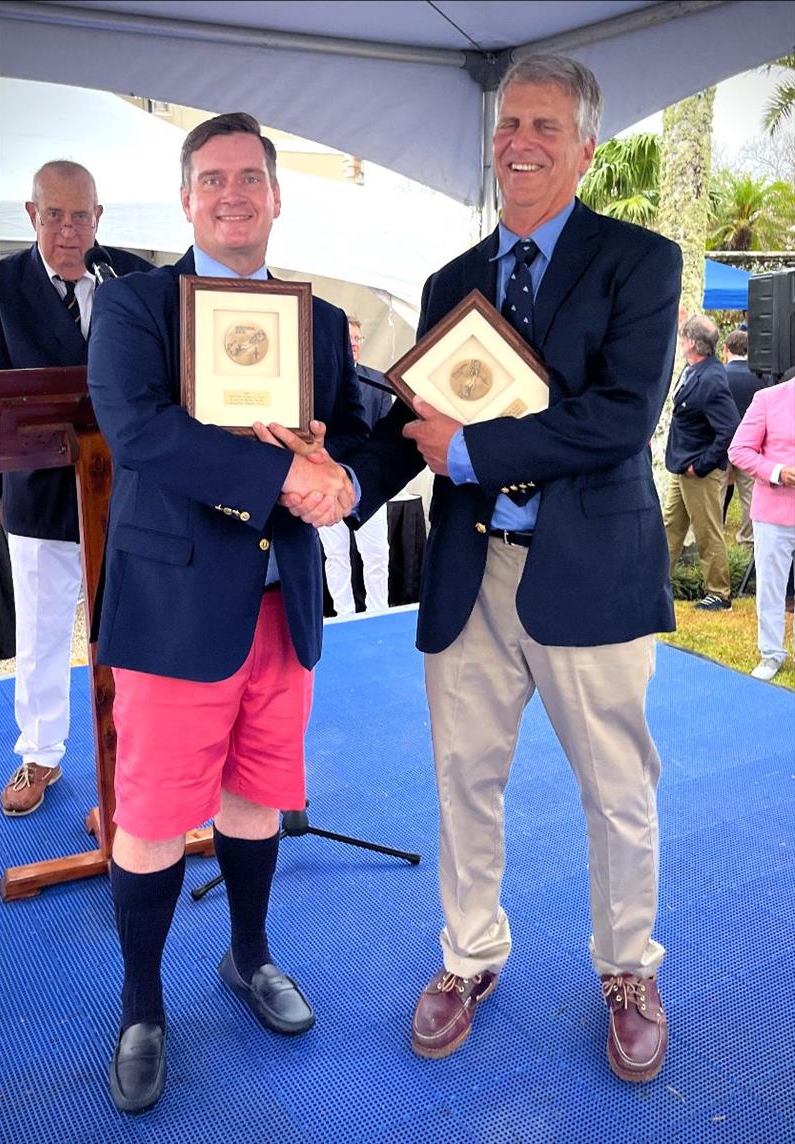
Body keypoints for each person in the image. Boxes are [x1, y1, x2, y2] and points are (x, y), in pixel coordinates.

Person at [277, 55, 682, 1083]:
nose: (520, 143)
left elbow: (620, 416)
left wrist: (471, 452)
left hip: (587, 572)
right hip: (470, 574)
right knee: (463, 780)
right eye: (508, 125)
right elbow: (415, 424)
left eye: (544, 125)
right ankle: (467, 955)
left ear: (585, 148)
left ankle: (627, 970)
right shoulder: (449, 281)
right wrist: (345, 479)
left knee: (617, 791)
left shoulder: (639, 261)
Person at [86, 112, 366, 1114]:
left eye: (250, 176)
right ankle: (139, 1003)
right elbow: (139, 429)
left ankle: (247, 957)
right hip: (172, 606)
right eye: (213, 179)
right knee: (155, 815)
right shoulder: (135, 310)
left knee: (256, 796)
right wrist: (282, 473)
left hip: (277, 605)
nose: (232, 194)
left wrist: (339, 485)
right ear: (187, 196)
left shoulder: (321, 322)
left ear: (277, 195)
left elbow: (364, 443)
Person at [0, 160, 153, 817]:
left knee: (139, 630)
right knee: (40, 633)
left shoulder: (135, 277)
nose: (69, 229)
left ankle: (144, 756)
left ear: (99, 217)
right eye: (55, 215)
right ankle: (41, 756)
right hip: (35, 495)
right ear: (31, 216)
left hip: (128, 495)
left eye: (81, 215)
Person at [663, 315, 739, 611]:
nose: (680, 342)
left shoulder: (711, 379)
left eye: (683, 338)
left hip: (698, 470)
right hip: (682, 465)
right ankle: (658, 582)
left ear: (692, 343)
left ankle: (720, 593)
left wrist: (703, 464)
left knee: (707, 529)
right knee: (671, 526)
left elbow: (729, 427)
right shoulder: (693, 369)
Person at [319, 318, 393, 615]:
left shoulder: (377, 382)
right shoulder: (321, 382)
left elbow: (387, 434)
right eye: (348, 339)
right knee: (336, 555)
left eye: (358, 339)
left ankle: (378, 611)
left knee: (376, 554)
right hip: (327, 483)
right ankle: (343, 613)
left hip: (368, 485)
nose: (354, 345)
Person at [728, 376, 795, 681]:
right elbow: (739, 450)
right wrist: (778, 472)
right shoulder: (768, 399)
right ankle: (771, 653)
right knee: (771, 587)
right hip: (774, 512)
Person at [722, 328, 765, 545]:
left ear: (726, 349)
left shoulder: (720, 375)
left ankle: (714, 536)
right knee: (749, 494)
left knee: (717, 493)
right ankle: (747, 538)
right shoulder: (760, 377)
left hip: (721, 444)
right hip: (751, 444)